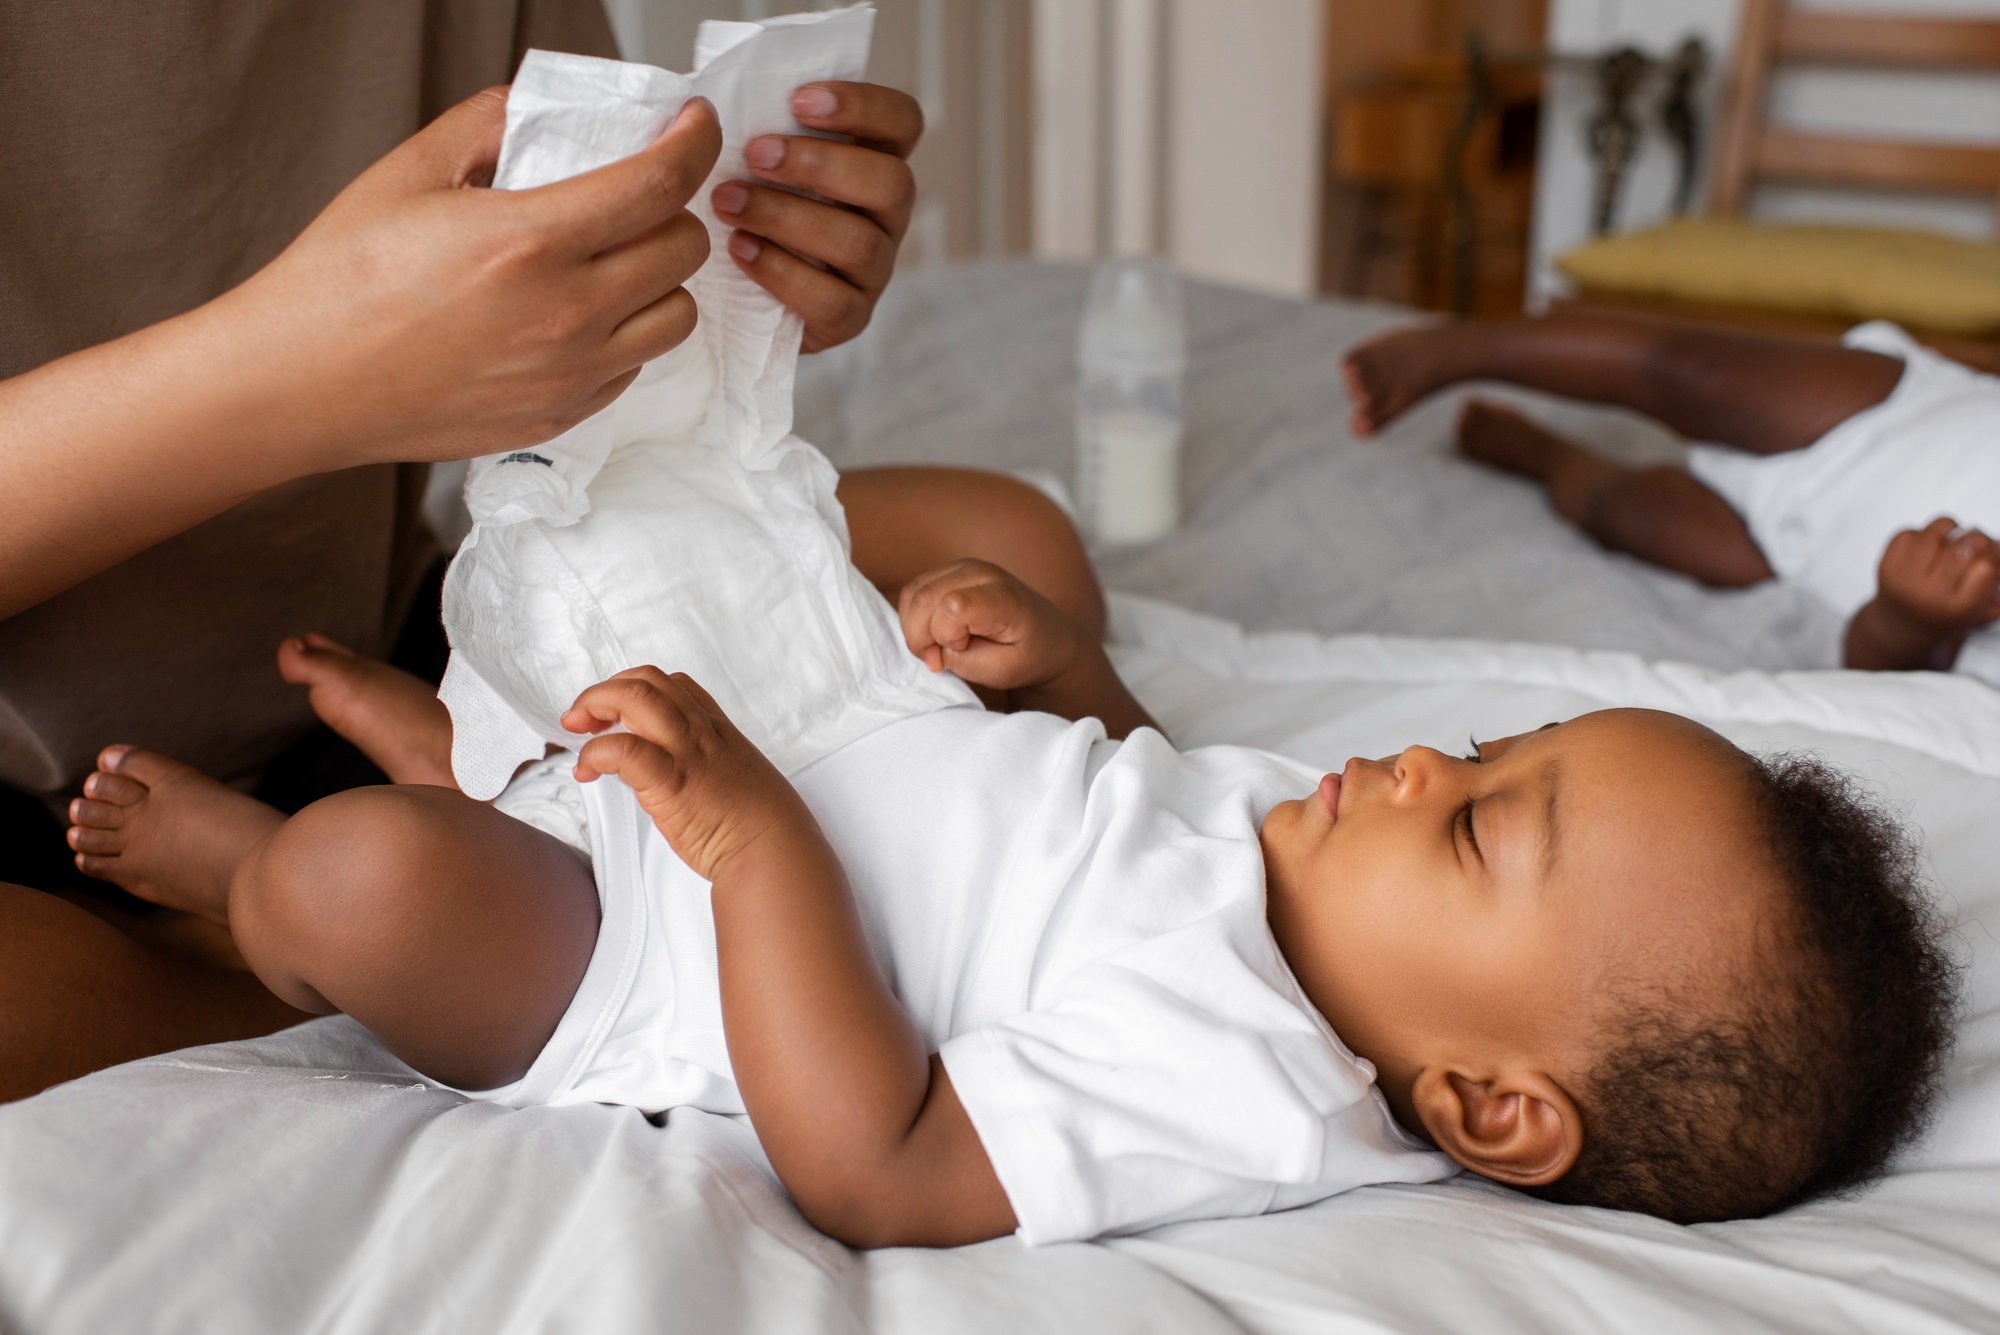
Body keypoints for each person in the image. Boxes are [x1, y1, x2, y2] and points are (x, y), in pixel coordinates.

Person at [65, 431, 1957, 1247]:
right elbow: (1130, 790)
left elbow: (877, 1164)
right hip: (775, 773)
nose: (1407, 766)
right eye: (1477, 747)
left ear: (1486, 1105)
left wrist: (757, 849)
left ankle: (250, 895)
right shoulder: (1311, 862)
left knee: (368, 884)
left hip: (662, 953)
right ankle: (483, 752)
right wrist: (1065, 673)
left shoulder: (1242, 1081)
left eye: (1472, 826)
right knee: (677, 592)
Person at [0, 0, 944, 1100]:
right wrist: (303, 374)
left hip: (399, 644)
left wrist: (733, 293)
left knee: (998, 535)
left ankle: (398, 904)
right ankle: (352, 941)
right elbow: (878, 1156)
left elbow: (583, 285)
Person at [1342, 313, 2000, 681]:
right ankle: (1470, 345)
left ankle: (1549, 458)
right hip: (1893, 412)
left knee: (1633, 514)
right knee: (1690, 370)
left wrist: (1907, 620)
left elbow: (1879, 674)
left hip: (1787, 549)